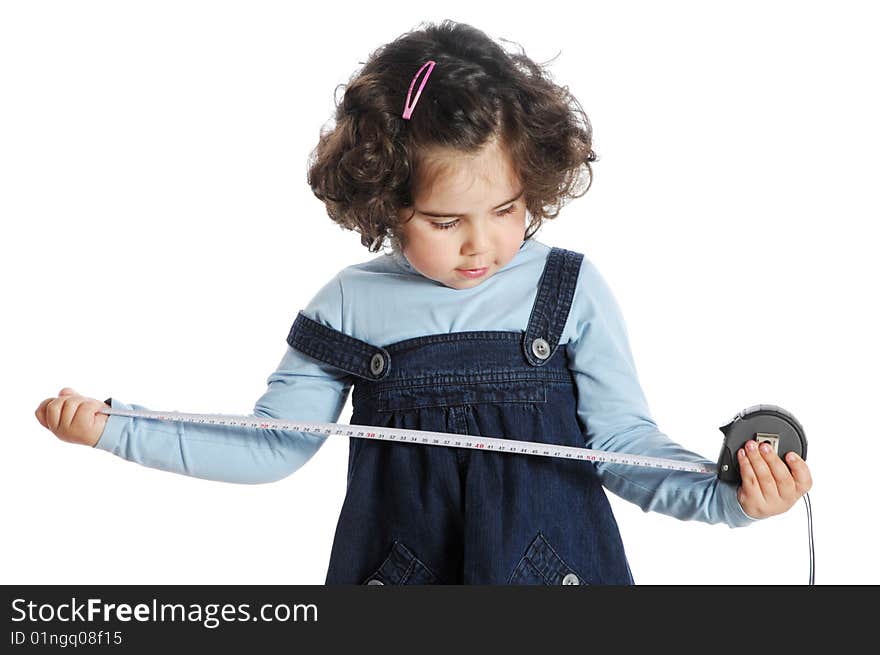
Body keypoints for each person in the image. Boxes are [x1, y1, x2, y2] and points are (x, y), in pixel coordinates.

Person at [34, 20, 811, 585]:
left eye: (508, 210)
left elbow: (623, 444)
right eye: (445, 222)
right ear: (384, 200)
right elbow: (274, 442)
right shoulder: (349, 304)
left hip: (560, 576)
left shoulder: (568, 289)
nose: (483, 245)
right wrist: (116, 427)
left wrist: (731, 499)